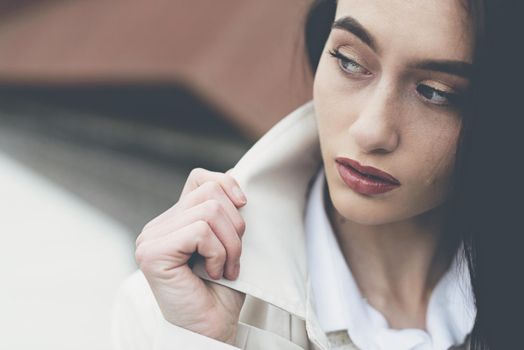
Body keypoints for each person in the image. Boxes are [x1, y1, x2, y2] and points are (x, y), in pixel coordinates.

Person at [111, 0, 524, 349]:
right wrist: (203, 341)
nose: (371, 129)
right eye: (349, 61)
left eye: (436, 92)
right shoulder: (172, 309)